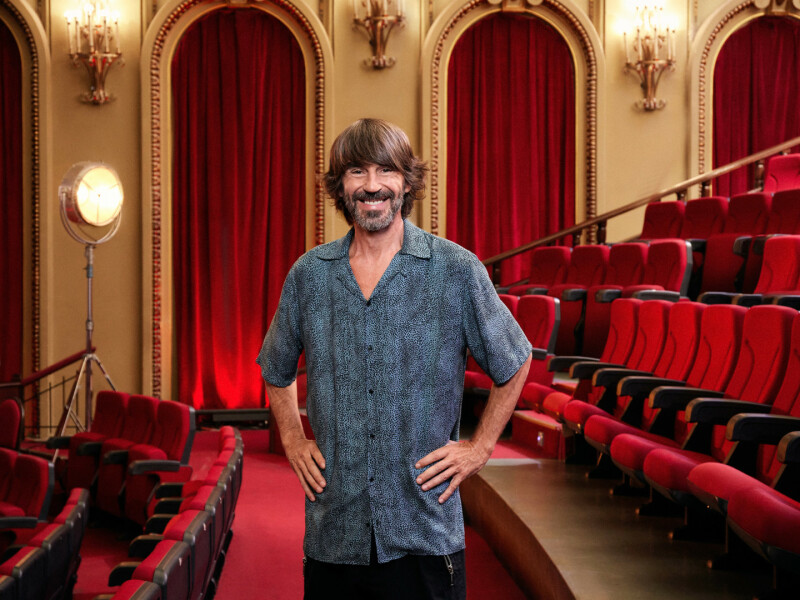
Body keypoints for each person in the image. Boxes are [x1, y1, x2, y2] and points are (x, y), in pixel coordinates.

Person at [256, 118, 532, 599]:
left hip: (425, 532)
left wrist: (480, 447)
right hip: (334, 532)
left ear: (406, 181)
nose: (372, 186)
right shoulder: (309, 276)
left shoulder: (456, 269)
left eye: (386, 170)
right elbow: (275, 368)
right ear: (341, 187)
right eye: (357, 172)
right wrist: (293, 440)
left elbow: (515, 360)